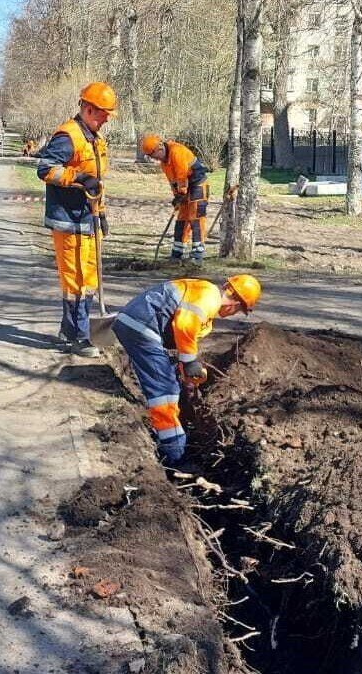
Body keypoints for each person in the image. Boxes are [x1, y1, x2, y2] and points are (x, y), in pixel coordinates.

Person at [113, 275, 261, 464]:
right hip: (142, 326)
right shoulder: (208, 297)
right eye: (240, 310)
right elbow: (184, 326)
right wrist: (189, 362)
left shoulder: (204, 297)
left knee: (169, 380)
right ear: (236, 304)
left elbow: (184, 338)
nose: (235, 314)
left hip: (139, 324)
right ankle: (175, 454)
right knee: (165, 392)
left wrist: (187, 372)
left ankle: (173, 440)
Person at [36, 82, 118, 358]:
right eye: (103, 113)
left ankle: (70, 330)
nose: (106, 119)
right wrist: (77, 178)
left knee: (90, 277)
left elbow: (98, 182)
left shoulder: (95, 138)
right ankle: (78, 336)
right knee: (75, 279)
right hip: (67, 217)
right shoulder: (67, 136)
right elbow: (45, 169)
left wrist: (102, 212)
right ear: (87, 108)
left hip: (89, 216)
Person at [139, 134, 210, 264]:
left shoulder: (177, 152)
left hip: (197, 184)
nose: (153, 158)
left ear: (159, 147)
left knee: (196, 218)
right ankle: (177, 253)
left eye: (152, 154)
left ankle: (197, 255)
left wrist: (181, 193)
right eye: (150, 156)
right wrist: (176, 196)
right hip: (184, 189)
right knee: (181, 219)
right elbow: (173, 181)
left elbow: (182, 177)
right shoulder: (164, 163)